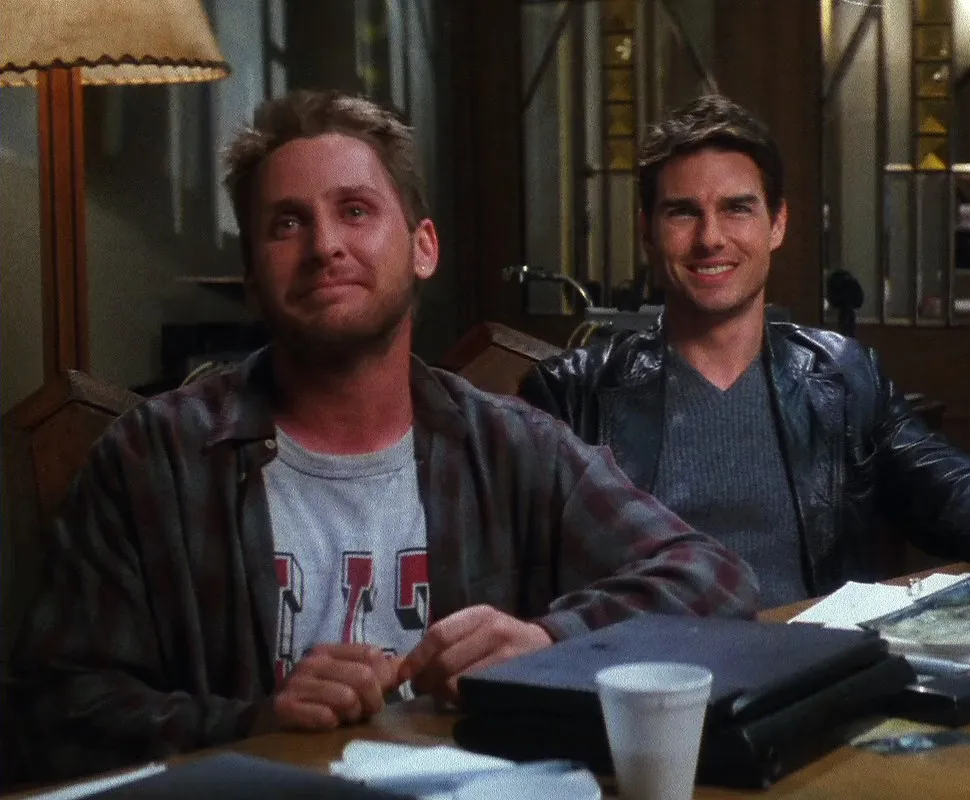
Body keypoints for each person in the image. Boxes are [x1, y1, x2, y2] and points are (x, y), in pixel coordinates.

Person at [8, 91, 757, 782]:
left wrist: (550, 640)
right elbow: (51, 712)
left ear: (423, 247)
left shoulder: (509, 445)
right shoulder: (155, 458)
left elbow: (714, 580)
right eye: (287, 223)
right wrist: (252, 720)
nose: (325, 245)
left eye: (356, 210)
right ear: (253, 276)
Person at [520, 95, 970, 607]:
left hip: (814, 671)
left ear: (778, 224)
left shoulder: (842, 377)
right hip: (647, 678)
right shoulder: (573, 395)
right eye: (683, 211)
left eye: (737, 208)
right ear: (648, 230)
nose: (710, 237)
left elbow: (943, 489)